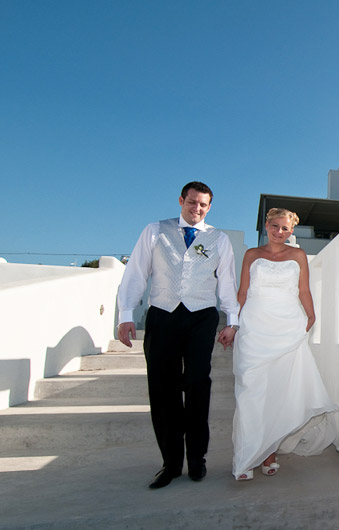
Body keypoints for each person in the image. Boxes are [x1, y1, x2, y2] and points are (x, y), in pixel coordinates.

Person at [117, 181, 240, 489]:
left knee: (198, 385)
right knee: (163, 390)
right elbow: (136, 272)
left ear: (209, 207)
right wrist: (126, 314)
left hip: (201, 317)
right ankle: (171, 463)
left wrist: (232, 320)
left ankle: (197, 459)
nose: (196, 208)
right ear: (181, 200)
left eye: (203, 204)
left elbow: (226, 281)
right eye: (192, 202)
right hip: (162, 316)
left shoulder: (219, 239)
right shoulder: (155, 230)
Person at [231, 208, 338, 481]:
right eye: (275, 226)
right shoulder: (252, 255)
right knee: (251, 392)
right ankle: (245, 458)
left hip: (288, 327)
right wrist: (233, 325)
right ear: (266, 226)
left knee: (279, 391)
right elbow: (242, 292)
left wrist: (311, 315)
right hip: (255, 329)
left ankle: (268, 453)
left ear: (292, 231)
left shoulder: (298, 255)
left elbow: (303, 289)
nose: (280, 232)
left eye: (286, 229)